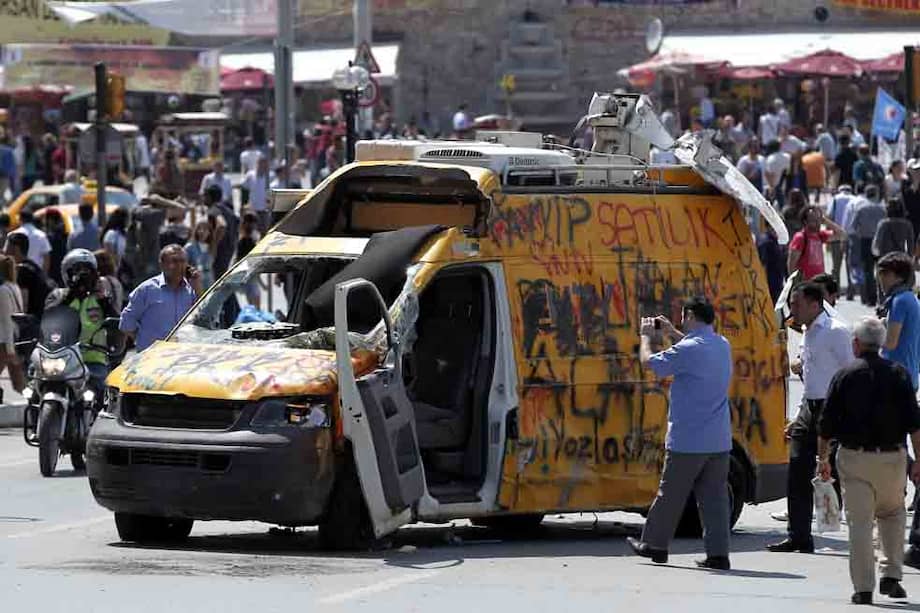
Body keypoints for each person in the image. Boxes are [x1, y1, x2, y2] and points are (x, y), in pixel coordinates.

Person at [818, 316, 920, 605]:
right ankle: (891, 574)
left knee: (860, 523)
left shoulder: (844, 376)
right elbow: (915, 425)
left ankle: (863, 588)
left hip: (854, 459)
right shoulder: (899, 374)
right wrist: (919, 460)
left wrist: (822, 459)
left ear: (856, 344)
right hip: (892, 459)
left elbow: (825, 425)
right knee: (893, 514)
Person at [627, 297, 733, 570]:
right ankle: (718, 554)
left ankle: (654, 544)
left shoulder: (688, 349)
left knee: (670, 495)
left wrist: (646, 337)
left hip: (689, 439)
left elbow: (650, 363)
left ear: (689, 315)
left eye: (683, 318)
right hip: (718, 439)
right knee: (715, 500)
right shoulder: (722, 344)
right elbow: (691, 346)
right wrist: (672, 332)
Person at [768, 282, 852, 554]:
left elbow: (853, 373)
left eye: (797, 305)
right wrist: (799, 414)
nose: (792, 310)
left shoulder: (836, 332)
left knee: (838, 471)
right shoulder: (808, 331)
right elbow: (810, 376)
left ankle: (869, 526)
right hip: (810, 407)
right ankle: (799, 536)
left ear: (815, 305)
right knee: (797, 470)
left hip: (835, 408)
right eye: (791, 304)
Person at [45, 249, 118, 387]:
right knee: (37, 385)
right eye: (78, 271)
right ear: (67, 273)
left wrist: (104, 301)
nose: (83, 276)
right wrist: (72, 293)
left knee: (101, 392)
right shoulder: (59, 295)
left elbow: (117, 322)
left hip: (93, 360)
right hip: (59, 358)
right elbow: (49, 315)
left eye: (87, 271)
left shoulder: (100, 298)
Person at [119, 244, 201, 352]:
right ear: (162, 264)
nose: (180, 265)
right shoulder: (147, 289)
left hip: (181, 355)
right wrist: (143, 341)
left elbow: (201, 319)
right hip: (152, 357)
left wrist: (197, 286)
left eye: (183, 261)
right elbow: (126, 322)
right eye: (175, 261)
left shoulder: (190, 291)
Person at [787, 205, 846, 280]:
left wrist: (825, 220)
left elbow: (842, 234)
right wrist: (795, 282)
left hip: (819, 282)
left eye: (819, 220)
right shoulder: (800, 237)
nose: (818, 223)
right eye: (814, 221)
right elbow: (791, 264)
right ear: (805, 222)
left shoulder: (820, 235)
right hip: (805, 283)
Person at [852, 185, 887, 306]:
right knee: (881, 269)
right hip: (880, 241)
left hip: (865, 241)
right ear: (876, 194)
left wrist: (861, 233)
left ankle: (870, 298)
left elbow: (853, 226)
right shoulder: (882, 209)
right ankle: (882, 296)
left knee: (867, 270)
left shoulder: (861, 208)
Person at [4, 233, 51, 317]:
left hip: (34, 323)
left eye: (6, 247)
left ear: (15, 249)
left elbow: (23, 307)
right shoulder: (33, 266)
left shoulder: (22, 271)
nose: (4, 251)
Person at [0, 255, 24, 395]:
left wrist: (10, 348)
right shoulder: (14, 286)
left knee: (17, 376)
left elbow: (7, 320)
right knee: (18, 377)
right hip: (14, 338)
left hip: (4, 340)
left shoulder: (3, 290)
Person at [205, 184, 238, 281]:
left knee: (216, 284)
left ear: (210, 197)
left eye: (205, 196)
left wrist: (214, 245)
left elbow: (222, 225)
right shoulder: (229, 211)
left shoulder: (213, 210)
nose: (203, 198)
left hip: (218, 253)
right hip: (228, 252)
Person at [827, 185, 854, 290]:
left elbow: (829, 216)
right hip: (851, 237)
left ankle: (835, 290)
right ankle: (851, 289)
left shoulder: (835, 199)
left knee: (836, 265)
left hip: (836, 236)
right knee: (850, 264)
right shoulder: (854, 199)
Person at [241, 155, 272, 232]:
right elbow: (244, 187)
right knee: (251, 230)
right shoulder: (250, 175)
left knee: (265, 229)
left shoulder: (270, 176)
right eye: (260, 163)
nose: (262, 165)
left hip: (265, 208)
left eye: (264, 163)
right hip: (252, 207)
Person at [757, 225, 786, 302]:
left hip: (777, 282)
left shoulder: (775, 240)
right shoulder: (766, 242)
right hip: (770, 284)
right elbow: (763, 264)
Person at [184, 220, 215, 290]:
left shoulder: (211, 247)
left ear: (209, 232)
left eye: (205, 229)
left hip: (209, 282)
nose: (201, 231)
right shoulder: (190, 247)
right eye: (199, 229)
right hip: (195, 282)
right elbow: (183, 265)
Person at [764, 140, 790, 207]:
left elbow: (769, 174)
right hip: (785, 186)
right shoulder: (788, 157)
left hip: (773, 187)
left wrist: (771, 187)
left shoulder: (770, 159)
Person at [903, 159, 920, 239]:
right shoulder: (905, 183)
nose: (918, 172)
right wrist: (916, 182)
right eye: (915, 170)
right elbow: (907, 198)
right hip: (911, 220)